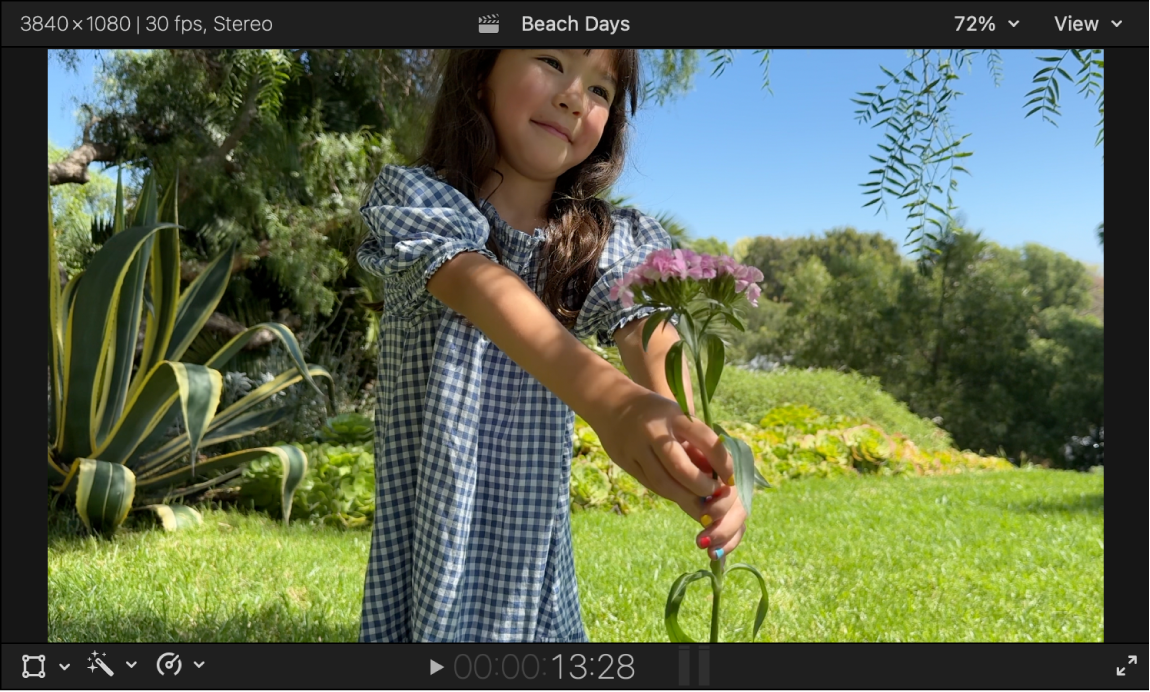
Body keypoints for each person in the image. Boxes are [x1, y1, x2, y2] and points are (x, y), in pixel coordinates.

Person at [355, 49, 748, 643]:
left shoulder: (600, 241)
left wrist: (689, 445)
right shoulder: (420, 202)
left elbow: (648, 320)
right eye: (550, 59)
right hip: (429, 548)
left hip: (532, 564)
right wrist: (615, 403)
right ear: (480, 70)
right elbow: (479, 285)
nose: (574, 97)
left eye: (602, 91)